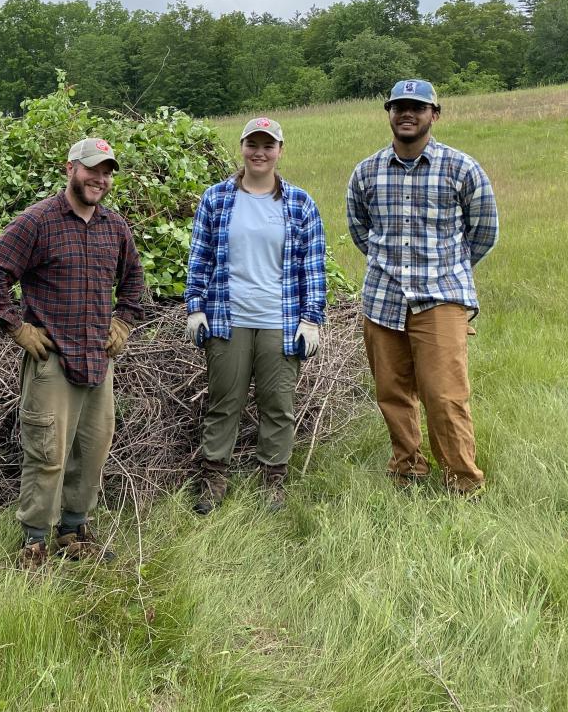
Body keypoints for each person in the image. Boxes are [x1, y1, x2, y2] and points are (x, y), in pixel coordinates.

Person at [0, 137, 146, 567]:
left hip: (98, 360)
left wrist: (123, 322)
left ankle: (74, 532)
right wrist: (17, 328)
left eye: (107, 172)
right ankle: (34, 543)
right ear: (69, 168)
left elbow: (134, 283)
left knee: (92, 451)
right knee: (47, 454)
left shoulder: (114, 226)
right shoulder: (38, 221)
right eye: (92, 169)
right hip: (51, 360)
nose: (100, 179)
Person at [346, 79, 499, 496]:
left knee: (445, 396)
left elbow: (484, 231)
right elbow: (360, 230)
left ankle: (462, 482)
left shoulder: (461, 168)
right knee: (393, 394)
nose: (407, 113)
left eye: (417, 106)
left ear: (435, 113)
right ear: (389, 114)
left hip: (440, 299)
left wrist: (450, 269)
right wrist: (388, 266)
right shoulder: (366, 171)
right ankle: (408, 469)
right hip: (383, 300)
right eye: (399, 107)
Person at [184, 117, 327, 513]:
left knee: (278, 404)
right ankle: (213, 479)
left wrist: (311, 319)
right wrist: (194, 306)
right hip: (226, 319)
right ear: (242, 147)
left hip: (280, 322)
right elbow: (200, 258)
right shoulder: (216, 198)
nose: (259, 152)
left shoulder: (299, 204)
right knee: (223, 401)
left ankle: (272, 482)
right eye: (253, 144)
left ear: (280, 150)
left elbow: (313, 267)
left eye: (268, 145)